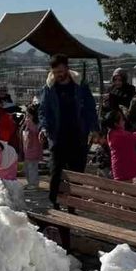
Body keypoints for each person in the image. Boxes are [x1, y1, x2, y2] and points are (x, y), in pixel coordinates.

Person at [39, 54, 99, 206]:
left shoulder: (80, 86)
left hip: (78, 135)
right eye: (55, 72)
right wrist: (44, 128)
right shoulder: (49, 88)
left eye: (60, 71)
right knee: (55, 172)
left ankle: (73, 206)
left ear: (67, 68)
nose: (58, 75)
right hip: (57, 136)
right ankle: (54, 205)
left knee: (77, 173)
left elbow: (90, 108)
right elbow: (43, 111)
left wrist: (94, 129)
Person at [21, 102, 43, 188]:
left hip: (34, 149)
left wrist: (29, 123)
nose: (27, 117)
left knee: (32, 167)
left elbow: (36, 131)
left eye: (29, 115)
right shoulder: (26, 123)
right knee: (27, 168)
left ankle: (34, 183)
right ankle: (30, 182)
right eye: (27, 115)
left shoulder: (36, 124)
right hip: (27, 149)